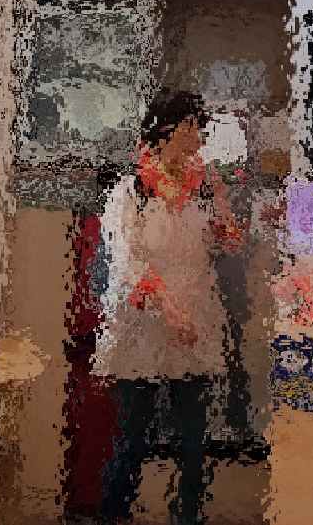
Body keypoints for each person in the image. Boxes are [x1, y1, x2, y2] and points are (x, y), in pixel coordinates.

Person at [90, 92, 232, 525]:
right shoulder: (130, 191)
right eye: (189, 125)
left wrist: (224, 206)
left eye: (199, 127)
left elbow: (224, 244)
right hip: (143, 323)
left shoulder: (202, 187)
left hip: (194, 319)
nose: (197, 136)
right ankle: (111, 514)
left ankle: (187, 517)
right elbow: (127, 259)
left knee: (194, 440)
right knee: (135, 436)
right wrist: (167, 303)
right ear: (164, 129)